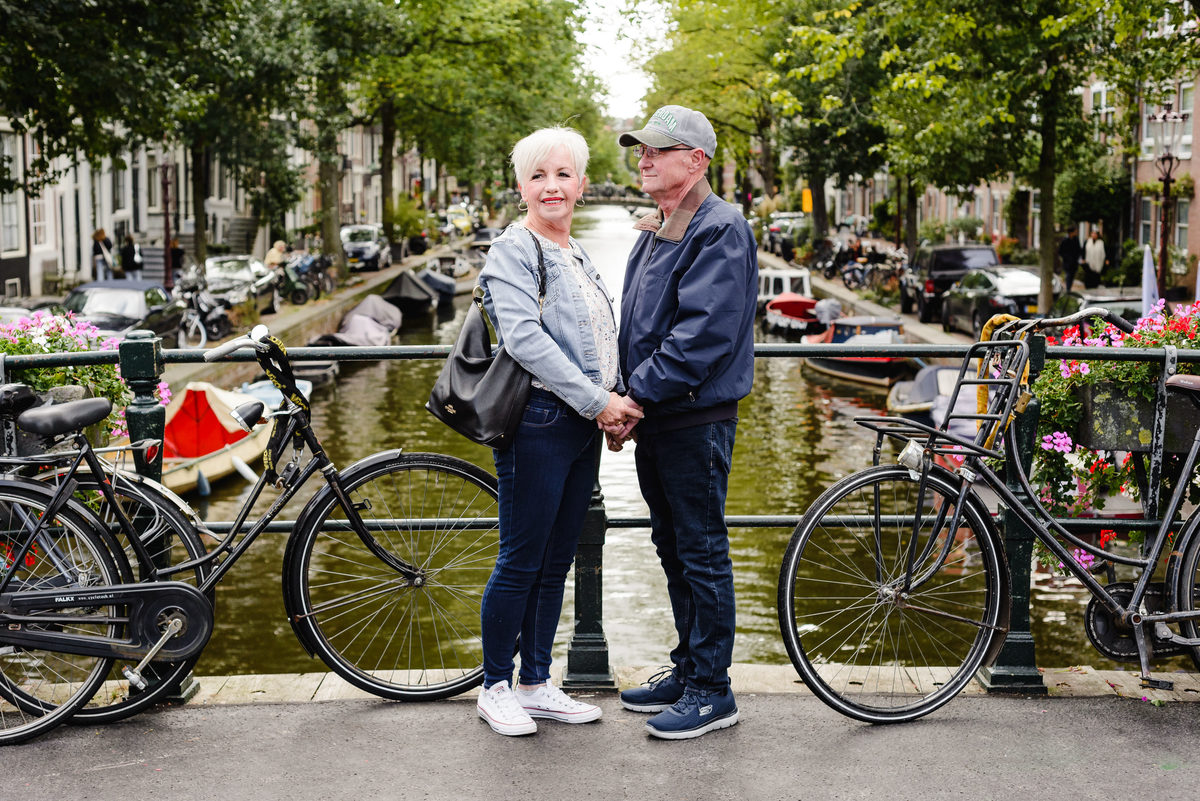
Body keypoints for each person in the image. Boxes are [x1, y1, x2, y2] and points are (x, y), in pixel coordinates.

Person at [474, 126, 642, 737]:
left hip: (579, 424)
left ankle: (536, 683)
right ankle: (495, 686)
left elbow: (600, 338)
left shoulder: (576, 253)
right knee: (520, 558)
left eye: (563, 175)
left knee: (556, 561)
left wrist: (616, 404)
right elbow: (524, 339)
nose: (552, 186)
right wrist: (600, 401)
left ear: (582, 185)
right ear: (521, 188)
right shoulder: (513, 250)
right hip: (540, 421)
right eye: (539, 176)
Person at [612, 105, 758, 739]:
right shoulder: (667, 225)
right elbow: (640, 321)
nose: (643, 158)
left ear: (696, 161)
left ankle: (712, 689)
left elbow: (700, 336)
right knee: (672, 546)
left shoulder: (720, 229)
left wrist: (633, 398)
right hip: (662, 416)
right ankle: (689, 664)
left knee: (699, 550)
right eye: (640, 149)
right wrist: (623, 393)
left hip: (692, 418)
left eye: (657, 150)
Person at [1058, 225, 1082, 292]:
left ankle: (1069, 289)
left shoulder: (1076, 239)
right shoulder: (1065, 240)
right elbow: (1060, 252)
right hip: (1067, 263)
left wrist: (1078, 257)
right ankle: (1068, 289)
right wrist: (1066, 258)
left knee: (1072, 276)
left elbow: (1078, 249)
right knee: (1068, 275)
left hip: (1074, 262)